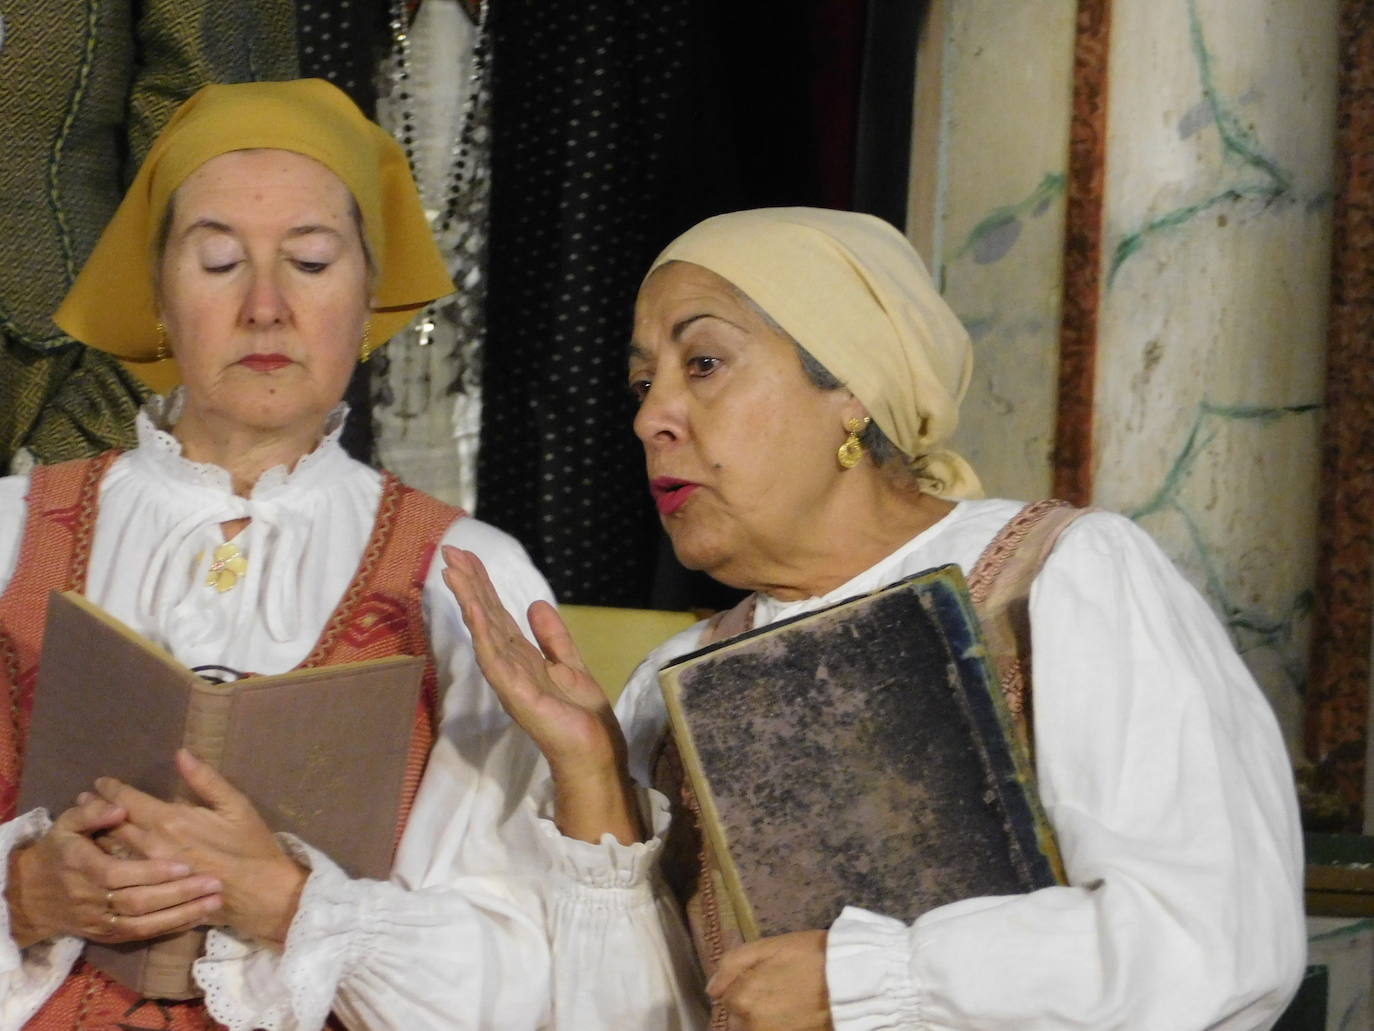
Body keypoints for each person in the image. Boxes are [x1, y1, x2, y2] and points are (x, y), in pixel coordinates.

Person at [442, 207, 1308, 1030]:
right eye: (642, 381)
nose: (650, 416)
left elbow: (1214, 941)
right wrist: (594, 774)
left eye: (702, 363)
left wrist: (857, 980)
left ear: (851, 388)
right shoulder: (668, 686)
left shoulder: (1061, 577)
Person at [0, 79, 699, 1031]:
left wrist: (296, 905)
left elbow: (531, 971)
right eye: (216, 261)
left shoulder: (463, 575)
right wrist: (24, 895)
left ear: (368, 295)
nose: (265, 307)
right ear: (157, 296)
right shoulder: (9, 530)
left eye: (312, 261)